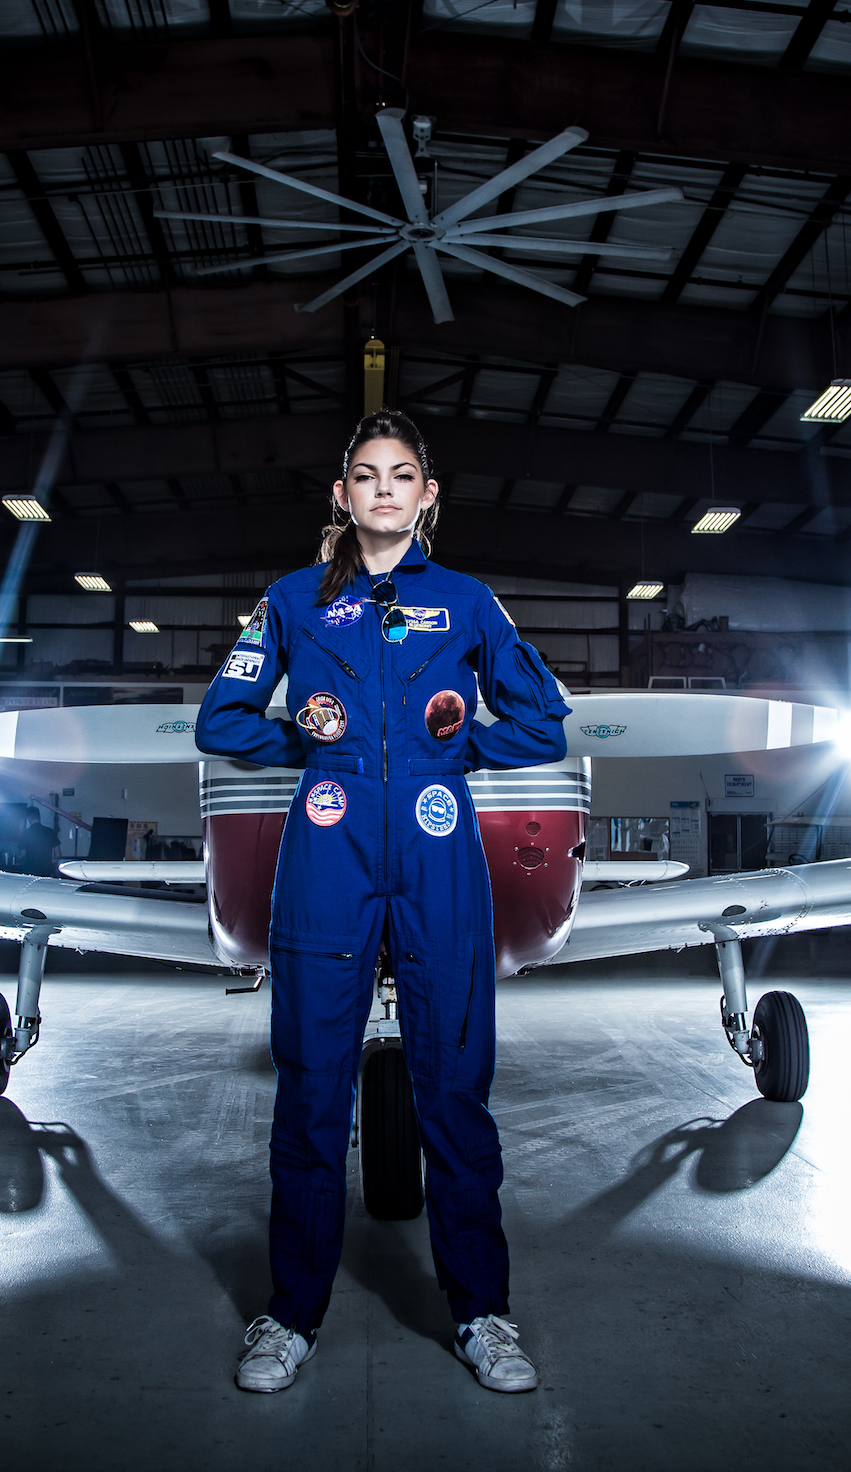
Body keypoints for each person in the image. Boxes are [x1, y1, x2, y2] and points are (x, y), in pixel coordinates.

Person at [195, 411, 570, 1395]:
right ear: (343, 495)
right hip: (328, 851)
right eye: (368, 476)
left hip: (440, 855)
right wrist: (325, 750)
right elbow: (223, 715)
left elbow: (541, 721)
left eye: (403, 475)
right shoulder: (289, 601)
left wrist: (449, 752)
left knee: (456, 1092)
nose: (387, 490)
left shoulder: (469, 601)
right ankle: (289, 1314)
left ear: (428, 494)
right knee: (311, 1090)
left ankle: (482, 1310)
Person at [18, 806, 59, 876]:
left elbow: (22, 854)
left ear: (29, 818)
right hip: (46, 870)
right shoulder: (49, 831)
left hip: (30, 869)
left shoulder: (26, 833)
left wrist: (18, 858)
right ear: (39, 817)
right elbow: (58, 853)